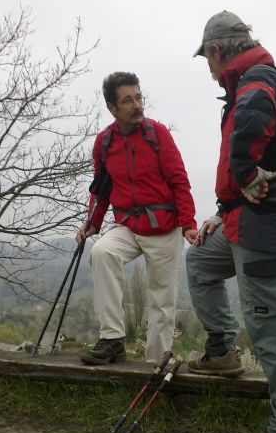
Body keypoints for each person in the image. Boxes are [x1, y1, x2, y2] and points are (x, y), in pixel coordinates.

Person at [186, 11, 276, 433]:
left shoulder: (256, 82)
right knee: (200, 262)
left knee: (271, 326)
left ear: (218, 50)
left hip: (263, 225)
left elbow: (253, 132)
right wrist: (223, 210)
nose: (209, 69)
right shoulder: (254, 81)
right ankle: (221, 350)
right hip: (240, 221)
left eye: (208, 59)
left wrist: (241, 171)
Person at [78, 72, 197, 365]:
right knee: (102, 252)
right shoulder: (105, 143)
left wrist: (189, 224)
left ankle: (154, 365)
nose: (137, 105)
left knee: (161, 302)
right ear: (112, 108)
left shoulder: (158, 135)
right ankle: (112, 339)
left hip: (165, 227)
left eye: (139, 97)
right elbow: (102, 187)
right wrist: (93, 222)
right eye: (128, 100)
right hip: (128, 226)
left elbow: (180, 181)